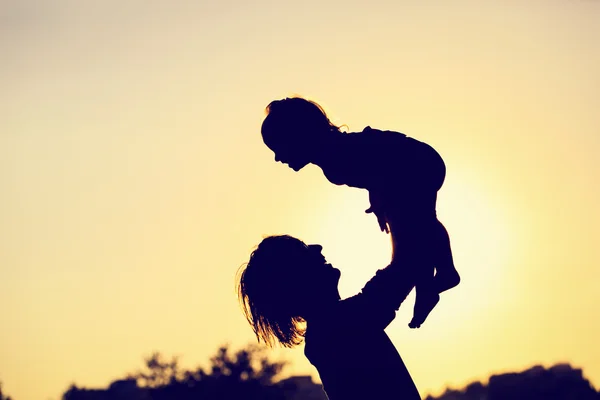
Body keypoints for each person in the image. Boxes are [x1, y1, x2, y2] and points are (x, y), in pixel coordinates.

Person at [260, 96, 460, 328]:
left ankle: (440, 276)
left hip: (416, 164)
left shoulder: (336, 154)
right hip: (413, 165)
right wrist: (377, 196)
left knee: (415, 227)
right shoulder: (333, 158)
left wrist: (380, 198)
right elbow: (371, 170)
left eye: (279, 147)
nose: (277, 157)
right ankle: (432, 283)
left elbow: (381, 159)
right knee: (420, 226)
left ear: (299, 136)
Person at [237, 235, 421, 400]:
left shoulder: (326, 330)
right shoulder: (335, 326)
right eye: (304, 252)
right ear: (295, 282)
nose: (317, 247)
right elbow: (407, 263)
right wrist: (391, 207)